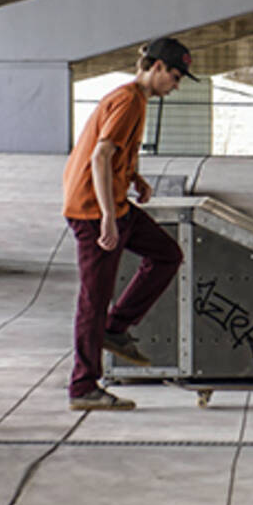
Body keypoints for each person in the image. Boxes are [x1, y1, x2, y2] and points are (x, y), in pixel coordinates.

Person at [62, 36, 197, 410]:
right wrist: (107, 216)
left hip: (115, 204)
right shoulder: (126, 100)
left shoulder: (136, 100)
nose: (176, 84)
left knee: (167, 255)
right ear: (155, 68)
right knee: (94, 298)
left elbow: (116, 153)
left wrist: (134, 177)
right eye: (174, 75)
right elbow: (100, 157)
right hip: (93, 210)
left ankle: (115, 328)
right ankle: (83, 387)